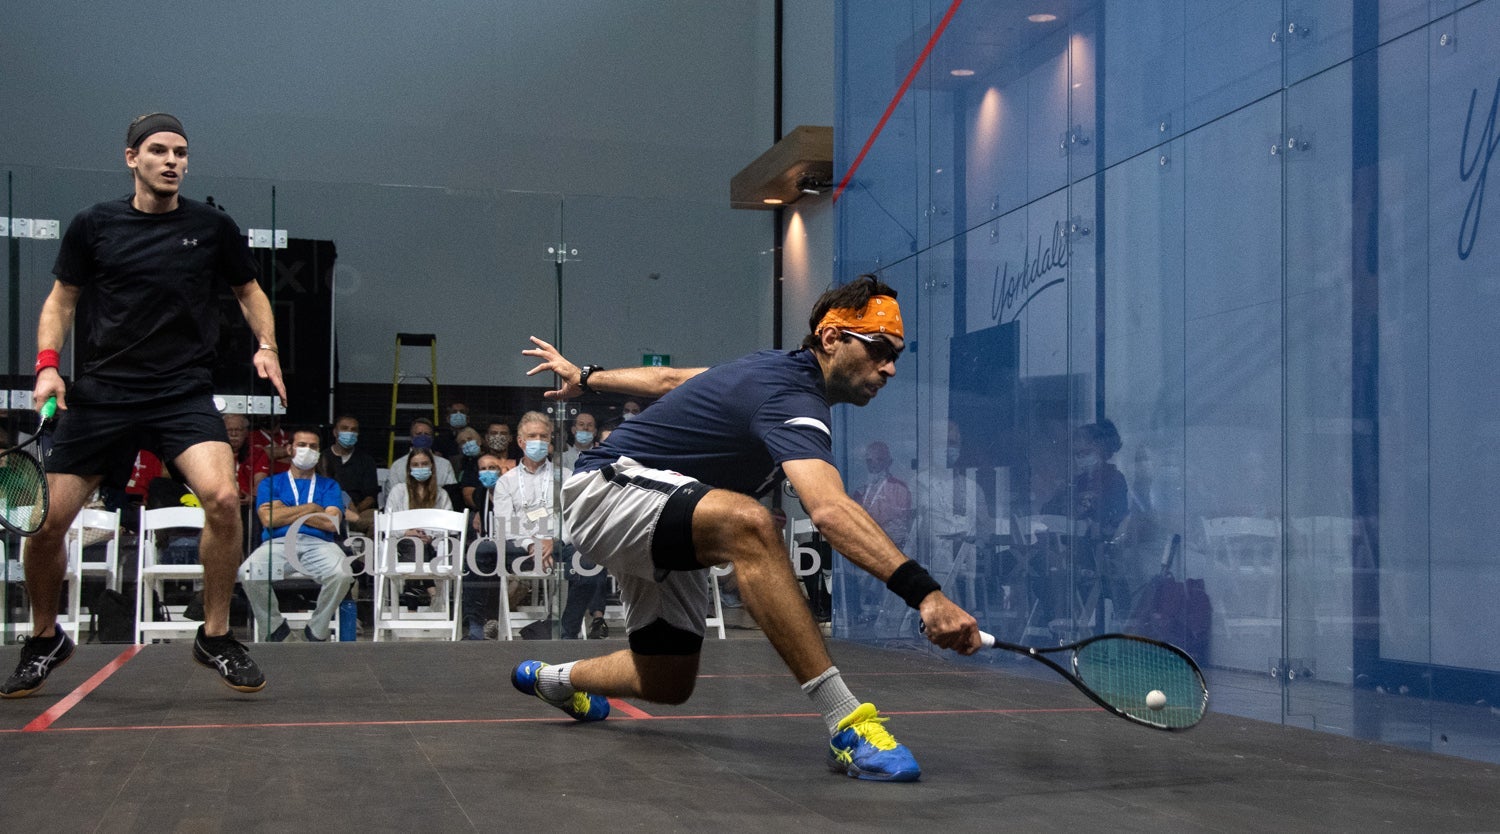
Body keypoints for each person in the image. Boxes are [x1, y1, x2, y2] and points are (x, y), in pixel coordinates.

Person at [515, 275, 978, 782]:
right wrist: (927, 595)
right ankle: (847, 722)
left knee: (667, 679)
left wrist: (587, 376)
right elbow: (829, 510)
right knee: (750, 524)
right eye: (878, 349)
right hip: (604, 490)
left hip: (660, 511)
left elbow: (671, 381)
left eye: (896, 355)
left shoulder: (767, 368)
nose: (888, 367)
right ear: (830, 338)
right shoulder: (792, 394)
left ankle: (554, 680)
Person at [3, 113, 285, 698]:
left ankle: (214, 635)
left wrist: (268, 347)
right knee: (47, 524)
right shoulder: (94, 225)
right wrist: (49, 365)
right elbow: (62, 300)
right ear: (132, 157)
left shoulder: (212, 227)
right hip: (103, 394)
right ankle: (43, 638)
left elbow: (249, 291)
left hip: (180, 391)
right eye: (158, 150)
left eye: (180, 152)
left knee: (225, 499)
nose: (172, 161)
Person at [492, 411, 609, 640]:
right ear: (520, 441)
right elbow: (504, 524)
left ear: (550, 441)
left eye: (544, 436)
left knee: (590, 564)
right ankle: (478, 624)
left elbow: (572, 518)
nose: (538, 441)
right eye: (532, 435)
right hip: (521, 546)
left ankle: (567, 631)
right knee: (485, 552)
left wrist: (553, 540)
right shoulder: (506, 481)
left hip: (556, 543)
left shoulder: (565, 476)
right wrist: (531, 545)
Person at [239, 428, 353, 642]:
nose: (307, 450)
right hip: (278, 544)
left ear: (319, 452)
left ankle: (317, 630)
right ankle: (276, 629)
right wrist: (312, 508)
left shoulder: (329, 485)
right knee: (248, 572)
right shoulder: (271, 483)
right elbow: (268, 520)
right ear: (289, 449)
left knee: (343, 574)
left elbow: (331, 523)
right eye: (302, 445)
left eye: (313, 447)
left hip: (319, 544)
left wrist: (285, 511)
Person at [319, 413, 380, 535]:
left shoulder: (366, 460)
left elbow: (370, 497)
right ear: (335, 432)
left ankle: (366, 554)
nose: (349, 433)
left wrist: (355, 512)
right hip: (328, 509)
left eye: (353, 430)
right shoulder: (322, 458)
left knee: (377, 522)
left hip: (360, 510)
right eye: (345, 428)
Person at [385, 417, 456, 494]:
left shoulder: (445, 465)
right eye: (418, 434)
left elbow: (451, 493)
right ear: (411, 438)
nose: (423, 437)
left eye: (427, 434)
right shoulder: (398, 466)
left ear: (432, 439)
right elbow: (392, 495)